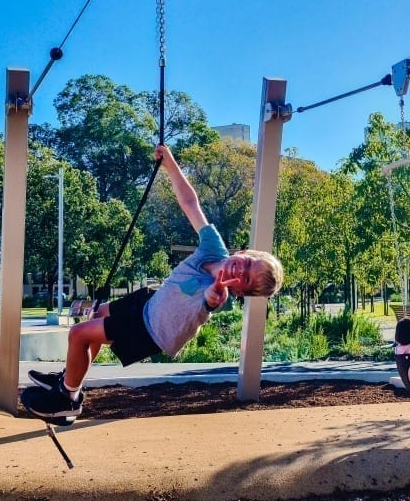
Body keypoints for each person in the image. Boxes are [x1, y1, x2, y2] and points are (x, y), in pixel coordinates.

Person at [21, 144, 284, 421]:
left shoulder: (219, 295)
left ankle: (68, 399)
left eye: (245, 280)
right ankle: (69, 378)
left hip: (150, 330)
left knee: (79, 334)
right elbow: (190, 203)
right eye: (248, 264)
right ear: (244, 252)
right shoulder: (213, 248)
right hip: (150, 301)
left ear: (240, 290)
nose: (240, 271)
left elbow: (210, 300)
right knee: (96, 314)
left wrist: (215, 292)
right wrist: (169, 164)